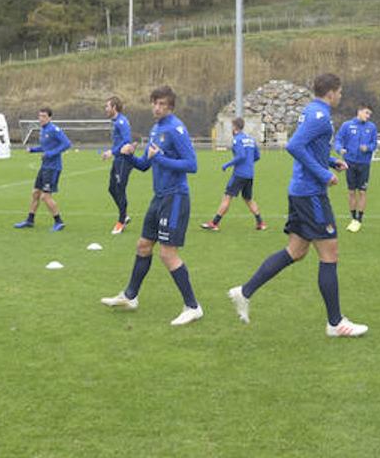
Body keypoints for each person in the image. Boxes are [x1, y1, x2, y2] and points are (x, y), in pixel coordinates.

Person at [227, 73, 369, 337]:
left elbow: (311, 147)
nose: (341, 96)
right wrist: (323, 173)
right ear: (331, 92)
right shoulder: (319, 115)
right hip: (310, 194)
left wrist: (329, 161)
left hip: (302, 192)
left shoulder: (313, 111)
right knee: (330, 253)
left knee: (296, 251)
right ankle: (335, 323)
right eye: (340, 92)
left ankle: (244, 292)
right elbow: (295, 146)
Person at [101, 85, 203, 325]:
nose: (157, 107)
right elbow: (145, 165)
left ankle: (193, 306)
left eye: (162, 104)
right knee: (143, 245)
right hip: (159, 197)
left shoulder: (176, 129)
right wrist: (127, 155)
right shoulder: (156, 129)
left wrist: (161, 158)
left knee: (167, 253)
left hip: (175, 197)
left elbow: (192, 164)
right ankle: (130, 296)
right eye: (155, 103)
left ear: (170, 107)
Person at [200, 117, 265, 231]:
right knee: (248, 198)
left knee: (227, 197)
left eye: (232, 126)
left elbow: (241, 156)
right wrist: (249, 163)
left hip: (239, 174)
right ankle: (260, 223)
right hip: (249, 174)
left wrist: (227, 164)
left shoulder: (237, 140)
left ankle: (214, 223)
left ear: (235, 127)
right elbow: (257, 156)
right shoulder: (250, 139)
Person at [14, 108, 71, 230]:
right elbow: (45, 146)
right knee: (35, 193)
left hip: (53, 167)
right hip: (44, 166)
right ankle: (30, 220)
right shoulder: (43, 130)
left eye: (44, 116)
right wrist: (33, 150)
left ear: (50, 118)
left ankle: (58, 221)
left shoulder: (54, 129)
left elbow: (67, 144)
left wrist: (50, 154)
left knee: (45, 197)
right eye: (40, 116)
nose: (41, 118)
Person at [335, 104, 378, 232]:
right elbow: (338, 139)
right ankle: (353, 218)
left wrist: (368, 148)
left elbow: (374, 143)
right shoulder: (347, 125)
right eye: (366, 113)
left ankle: (359, 219)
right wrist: (339, 149)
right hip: (350, 163)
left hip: (364, 164)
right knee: (351, 191)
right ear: (359, 112)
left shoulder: (372, 127)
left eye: (370, 114)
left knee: (363, 191)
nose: (368, 116)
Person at [103, 96, 137, 235]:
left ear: (114, 108)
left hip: (124, 160)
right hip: (118, 159)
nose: (106, 109)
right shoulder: (116, 121)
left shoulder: (121, 122)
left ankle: (121, 221)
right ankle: (124, 214)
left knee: (120, 189)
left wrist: (112, 151)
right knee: (112, 188)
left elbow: (127, 142)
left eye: (107, 106)